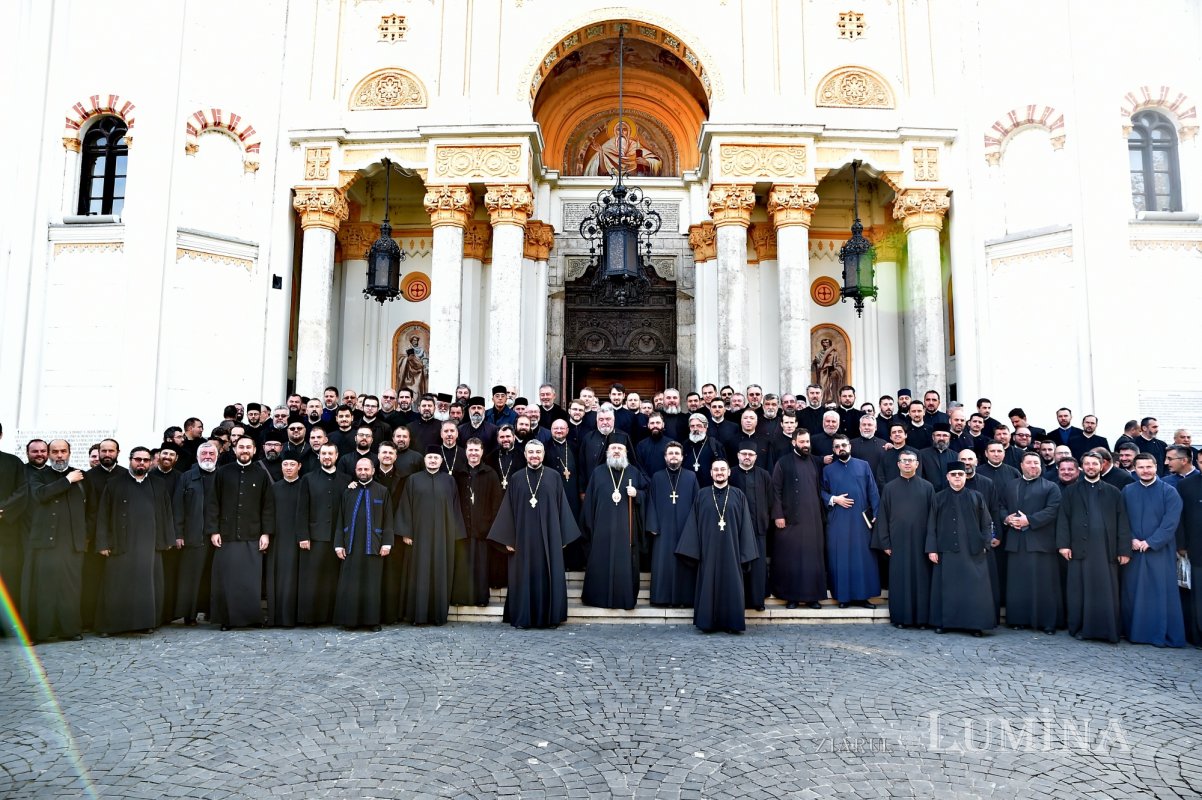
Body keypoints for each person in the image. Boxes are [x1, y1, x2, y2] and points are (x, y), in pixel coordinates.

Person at [487, 441, 582, 628]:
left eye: (538, 452)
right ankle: (523, 617)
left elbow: (562, 506)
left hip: (550, 536)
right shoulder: (516, 478)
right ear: (525, 455)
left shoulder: (554, 477)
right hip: (522, 539)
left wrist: (562, 536)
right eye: (531, 452)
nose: (534, 456)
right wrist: (508, 538)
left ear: (543, 453)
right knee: (523, 576)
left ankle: (550, 617)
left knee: (549, 575)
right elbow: (508, 509)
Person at [94, 447, 175, 635]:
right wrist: (103, 542)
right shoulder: (114, 483)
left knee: (146, 586)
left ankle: (145, 623)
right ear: (130, 460)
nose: (141, 463)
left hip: (149, 544)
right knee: (116, 584)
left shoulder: (158, 483)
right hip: (120, 543)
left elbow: (166, 513)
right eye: (137, 459)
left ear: (151, 462)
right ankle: (111, 626)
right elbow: (103, 515)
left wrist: (167, 538)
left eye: (146, 460)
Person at [675, 459, 759, 634]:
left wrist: (745, 554)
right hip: (708, 551)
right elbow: (693, 524)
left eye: (723, 469)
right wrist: (693, 550)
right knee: (708, 582)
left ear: (729, 472)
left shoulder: (738, 495)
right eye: (716, 469)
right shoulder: (702, 495)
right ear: (711, 473)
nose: (719, 472)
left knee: (732, 584)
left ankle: (732, 623)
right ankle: (707, 623)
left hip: (732, 550)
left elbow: (746, 526)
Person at [1055, 452, 1131, 643]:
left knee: (1105, 589)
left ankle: (1106, 628)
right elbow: (1063, 519)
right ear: (1082, 467)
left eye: (1094, 464)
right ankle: (1080, 627)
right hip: (1079, 548)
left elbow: (1123, 522)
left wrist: (1124, 550)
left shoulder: (1114, 491)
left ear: (1102, 465)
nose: (1090, 467)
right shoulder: (1071, 491)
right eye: (1087, 464)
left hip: (1106, 550)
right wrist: (1063, 545)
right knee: (1079, 590)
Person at [206, 437, 275, 631]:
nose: (244, 450)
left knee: (249, 581)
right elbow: (213, 503)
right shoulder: (223, 472)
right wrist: (213, 531)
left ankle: (252, 618)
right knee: (227, 580)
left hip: (252, 534)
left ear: (254, 451)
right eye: (241, 447)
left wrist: (266, 533)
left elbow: (267, 506)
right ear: (235, 450)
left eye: (248, 447)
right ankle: (227, 620)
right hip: (226, 535)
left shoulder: (261, 475)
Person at [23, 440, 88, 643]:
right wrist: (67, 480)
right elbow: (41, 495)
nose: (59, 455)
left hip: (72, 542)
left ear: (69, 453)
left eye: (63, 451)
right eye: (55, 452)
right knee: (45, 588)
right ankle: (41, 633)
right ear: (49, 455)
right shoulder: (38, 475)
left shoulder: (82, 475)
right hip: (47, 542)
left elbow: (91, 507)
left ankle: (69, 630)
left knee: (70, 587)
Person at [1122, 452, 1185, 647]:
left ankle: (1158, 633)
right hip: (1133, 549)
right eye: (1141, 467)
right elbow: (1121, 518)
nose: (1145, 471)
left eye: (1149, 467)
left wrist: (1150, 542)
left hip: (1159, 550)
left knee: (1159, 591)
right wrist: (1131, 538)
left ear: (1156, 467)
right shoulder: (1127, 490)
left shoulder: (1169, 491)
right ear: (1135, 469)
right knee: (1133, 591)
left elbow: (1170, 523)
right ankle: (1134, 632)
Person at [396, 447, 465, 626]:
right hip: (419, 537)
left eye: (436, 458)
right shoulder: (413, 480)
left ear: (441, 461)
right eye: (430, 457)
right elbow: (405, 506)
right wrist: (406, 532)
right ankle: (418, 615)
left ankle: (438, 616)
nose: (433, 460)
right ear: (424, 460)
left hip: (443, 537)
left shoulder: (449, 481)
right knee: (419, 573)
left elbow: (456, 508)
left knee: (440, 573)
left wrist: (455, 533)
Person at [926, 463, 996, 636]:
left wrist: (986, 544)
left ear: (965, 477)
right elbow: (931, 525)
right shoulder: (938, 497)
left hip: (973, 550)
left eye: (960, 474)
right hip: (946, 550)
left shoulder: (977, 497)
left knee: (974, 590)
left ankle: (975, 625)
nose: (957, 477)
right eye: (954, 474)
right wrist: (931, 549)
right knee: (947, 588)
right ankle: (944, 623)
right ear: (947, 477)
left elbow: (987, 523)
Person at [580, 442, 648, 610]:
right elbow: (589, 503)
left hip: (627, 531)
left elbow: (647, 495)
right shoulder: (598, 473)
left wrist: (637, 494)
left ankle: (624, 599)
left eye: (620, 448)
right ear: (607, 452)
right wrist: (589, 528)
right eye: (613, 448)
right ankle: (597, 598)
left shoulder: (634, 472)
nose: (616, 451)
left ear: (626, 452)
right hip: (601, 530)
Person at [872, 450, 935, 628]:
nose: (907, 463)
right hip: (897, 543)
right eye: (904, 460)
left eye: (911, 460)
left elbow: (933, 518)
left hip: (921, 543)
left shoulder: (927, 487)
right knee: (900, 581)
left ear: (917, 464)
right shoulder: (890, 488)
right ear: (898, 464)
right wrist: (885, 542)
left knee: (922, 581)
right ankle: (900, 618)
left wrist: (931, 544)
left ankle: (922, 619)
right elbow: (883, 516)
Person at [1002, 452, 1063, 634]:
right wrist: (1006, 519)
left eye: (1036, 463)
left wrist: (1030, 520)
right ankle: (1018, 619)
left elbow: (1052, 510)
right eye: (1029, 463)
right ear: (1021, 465)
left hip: (1041, 543)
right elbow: (1000, 505)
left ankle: (1047, 622)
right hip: (1016, 542)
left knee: (1044, 585)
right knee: (1018, 584)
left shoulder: (1051, 487)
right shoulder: (1011, 485)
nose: (1033, 466)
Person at [332, 458, 395, 630]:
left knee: (372, 585)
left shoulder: (382, 491)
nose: (363, 472)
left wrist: (387, 543)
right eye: (359, 469)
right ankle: (350, 622)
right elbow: (340, 519)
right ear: (355, 470)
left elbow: (388, 519)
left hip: (373, 545)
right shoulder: (348, 492)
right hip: (351, 545)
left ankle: (372, 621)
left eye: (366, 469)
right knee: (351, 585)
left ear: (373, 471)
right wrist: (338, 544)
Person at [770, 428, 828, 609]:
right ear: (793, 442)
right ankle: (791, 597)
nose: (805, 445)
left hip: (813, 518)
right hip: (789, 519)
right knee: (791, 558)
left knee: (813, 558)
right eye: (802, 442)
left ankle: (813, 598)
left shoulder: (815, 461)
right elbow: (775, 490)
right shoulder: (783, 462)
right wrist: (778, 514)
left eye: (807, 442)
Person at [822, 435, 880, 608]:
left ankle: (863, 597)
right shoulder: (828, 470)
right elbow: (821, 492)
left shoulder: (863, 465)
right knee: (841, 557)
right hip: (838, 519)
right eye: (837, 446)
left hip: (861, 520)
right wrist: (834, 499)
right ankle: (843, 597)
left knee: (862, 558)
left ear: (850, 447)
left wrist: (876, 514)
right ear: (833, 450)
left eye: (844, 445)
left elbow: (873, 491)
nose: (841, 448)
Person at [297, 443, 349, 625]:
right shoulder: (308, 479)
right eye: (323, 453)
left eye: (330, 453)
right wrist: (303, 536)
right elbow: (302, 509)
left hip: (338, 538)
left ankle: (332, 617)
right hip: (315, 537)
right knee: (314, 579)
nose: (327, 456)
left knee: (334, 578)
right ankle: (312, 618)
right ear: (319, 456)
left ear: (337, 456)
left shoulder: (347, 480)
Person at [646, 441, 699, 608]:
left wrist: (694, 528)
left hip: (686, 529)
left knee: (684, 563)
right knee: (663, 563)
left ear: (682, 457)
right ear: (665, 457)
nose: (674, 456)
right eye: (670, 453)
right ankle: (662, 598)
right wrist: (653, 525)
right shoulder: (657, 476)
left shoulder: (691, 477)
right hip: (662, 529)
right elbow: (651, 502)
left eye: (677, 453)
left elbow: (697, 504)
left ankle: (684, 599)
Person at [451, 438, 503, 607]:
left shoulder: (490, 473)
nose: (473, 453)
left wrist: (492, 525)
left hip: (483, 527)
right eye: (470, 450)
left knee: (481, 566)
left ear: (482, 452)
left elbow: (496, 502)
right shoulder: (458, 474)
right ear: (465, 452)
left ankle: (481, 598)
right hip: (462, 527)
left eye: (476, 450)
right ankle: (460, 598)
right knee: (462, 565)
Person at [728, 440, 773, 612]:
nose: (747, 457)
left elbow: (771, 500)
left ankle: (757, 600)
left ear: (755, 457)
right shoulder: (730, 473)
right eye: (744, 454)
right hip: (736, 528)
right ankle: (738, 600)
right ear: (738, 455)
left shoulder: (764, 475)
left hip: (758, 527)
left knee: (758, 566)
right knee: (737, 564)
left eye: (750, 454)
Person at [266, 453, 304, 628]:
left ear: (299, 466)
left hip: (299, 538)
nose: (288, 467)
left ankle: (295, 617)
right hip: (278, 538)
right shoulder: (274, 488)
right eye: (285, 464)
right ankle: (277, 617)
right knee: (278, 577)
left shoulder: (306, 486)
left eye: (292, 464)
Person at [585, 119, 662, 177]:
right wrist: (601, 152)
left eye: (624, 130)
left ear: (628, 132)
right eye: (619, 130)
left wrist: (646, 162)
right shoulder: (607, 146)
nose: (621, 132)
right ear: (615, 132)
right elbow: (602, 172)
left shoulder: (635, 146)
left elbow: (657, 161)